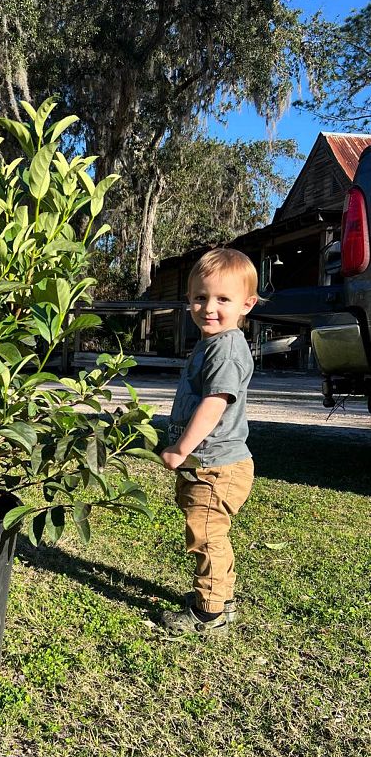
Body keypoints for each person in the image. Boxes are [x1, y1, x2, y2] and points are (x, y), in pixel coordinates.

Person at [158, 247, 259, 637]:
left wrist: (181, 448)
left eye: (222, 299)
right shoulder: (212, 343)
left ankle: (210, 613)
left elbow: (215, 403)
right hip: (208, 464)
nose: (208, 307)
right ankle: (219, 596)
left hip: (216, 466)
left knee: (206, 534)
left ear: (246, 304)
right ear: (189, 301)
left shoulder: (227, 348)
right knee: (206, 530)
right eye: (200, 298)